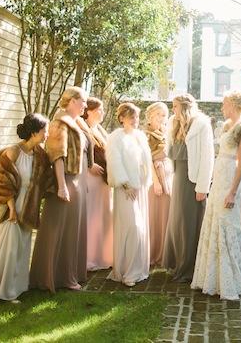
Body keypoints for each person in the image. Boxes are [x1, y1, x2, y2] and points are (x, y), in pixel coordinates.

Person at [192, 90, 241, 300]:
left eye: (225, 104)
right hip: (220, 179)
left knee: (228, 224)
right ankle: (213, 275)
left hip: (231, 181)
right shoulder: (228, 126)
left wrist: (232, 192)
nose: (222, 108)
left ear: (233, 105)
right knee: (215, 221)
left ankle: (232, 276)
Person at [0, 114, 54, 306]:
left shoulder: (40, 155)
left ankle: (11, 292)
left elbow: (46, 180)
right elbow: (1, 182)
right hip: (13, 208)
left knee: (21, 251)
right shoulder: (13, 152)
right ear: (35, 132)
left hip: (28, 209)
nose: (47, 134)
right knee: (7, 251)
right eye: (45, 130)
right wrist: (11, 208)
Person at [30, 87, 94, 292]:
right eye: (83, 101)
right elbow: (57, 156)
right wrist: (62, 186)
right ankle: (54, 277)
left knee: (73, 229)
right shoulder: (59, 123)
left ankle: (71, 273)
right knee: (60, 229)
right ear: (72, 101)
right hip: (66, 180)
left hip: (78, 179)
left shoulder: (77, 122)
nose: (86, 105)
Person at [161, 94, 214, 282]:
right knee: (177, 222)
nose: (172, 109)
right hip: (178, 178)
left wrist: (203, 187)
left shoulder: (201, 125)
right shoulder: (173, 123)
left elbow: (208, 157)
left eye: (175, 106)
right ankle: (176, 262)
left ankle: (189, 268)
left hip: (193, 181)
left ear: (184, 107)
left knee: (189, 224)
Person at [107, 102, 152, 287]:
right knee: (132, 227)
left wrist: (142, 183)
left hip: (139, 188)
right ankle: (126, 271)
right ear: (122, 118)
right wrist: (126, 184)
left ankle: (137, 269)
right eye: (131, 117)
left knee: (139, 228)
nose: (135, 120)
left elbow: (144, 162)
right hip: (125, 188)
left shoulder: (140, 136)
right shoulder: (115, 137)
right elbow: (114, 162)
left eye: (137, 117)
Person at [83, 97, 113, 271]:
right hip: (92, 178)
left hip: (103, 179)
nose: (102, 112)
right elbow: (81, 151)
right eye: (99, 110)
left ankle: (103, 255)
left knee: (103, 216)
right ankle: (89, 257)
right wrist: (89, 164)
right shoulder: (83, 128)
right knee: (92, 217)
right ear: (89, 112)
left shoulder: (99, 129)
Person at [145, 101, 172, 267]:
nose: (161, 118)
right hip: (155, 178)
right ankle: (154, 252)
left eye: (164, 115)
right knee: (155, 215)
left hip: (168, 175)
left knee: (166, 214)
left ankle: (165, 251)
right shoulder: (146, 134)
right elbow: (147, 159)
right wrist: (156, 182)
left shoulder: (165, 132)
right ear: (150, 116)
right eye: (158, 115)